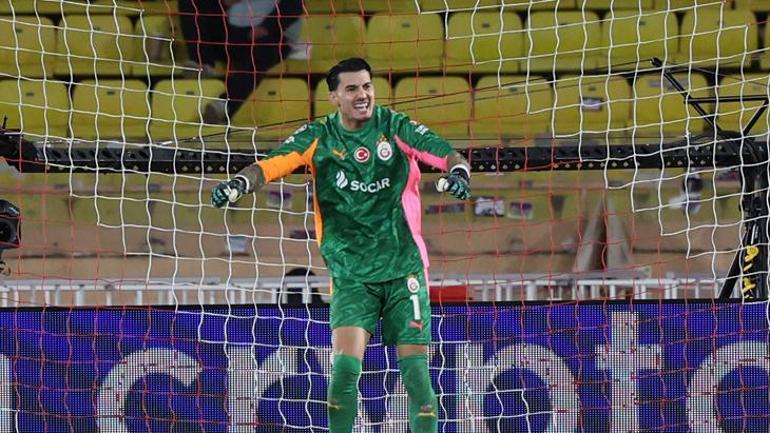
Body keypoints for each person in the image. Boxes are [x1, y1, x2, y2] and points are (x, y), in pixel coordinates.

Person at [210, 57, 471, 433]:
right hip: (350, 275)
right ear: (334, 97)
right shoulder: (319, 136)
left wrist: (458, 172)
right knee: (344, 375)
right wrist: (238, 184)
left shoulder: (395, 126)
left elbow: (443, 151)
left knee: (417, 379)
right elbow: (272, 163)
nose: (362, 95)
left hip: (404, 270)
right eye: (352, 89)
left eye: (367, 86)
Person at [176, 0, 303, 123]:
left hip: (272, 37)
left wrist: (266, 27)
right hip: (234, 34)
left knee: (263, 50)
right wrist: (224, 4)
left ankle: (224, 105)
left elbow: (294, 5)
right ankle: (202, 63)